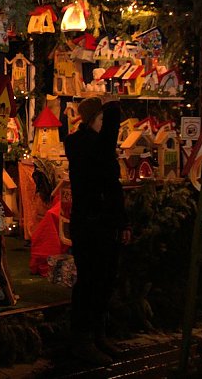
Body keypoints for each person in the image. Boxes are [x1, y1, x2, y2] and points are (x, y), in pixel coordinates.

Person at [62, 95, 131, 367]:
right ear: (91, 121)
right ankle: (82, 340)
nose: (107, 124)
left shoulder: (100, 146)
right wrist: (112, 109)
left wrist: (122, 222)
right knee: (90, 282)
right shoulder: (79, 145)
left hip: (106, 224)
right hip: (89, 224)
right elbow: (102, 160)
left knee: (105, 280)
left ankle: (97, 334)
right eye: (102, 119)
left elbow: (113, 187)